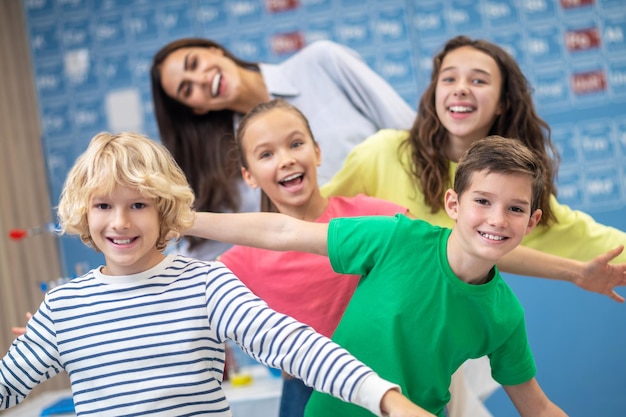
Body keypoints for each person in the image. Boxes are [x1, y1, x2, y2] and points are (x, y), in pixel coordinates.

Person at [0, 132, 433, 417]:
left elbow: (294, 346)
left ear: (165, 209)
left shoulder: (205, 284)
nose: (120, 223)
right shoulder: (64, 307)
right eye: (103, 206)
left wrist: (385, 397)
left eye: (138, 205)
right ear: (84, 212)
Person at [319, 35, 626, 415]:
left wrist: (579, 272)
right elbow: (312, 219)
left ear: (504, 101)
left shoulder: (519, 194)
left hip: (431, 372)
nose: (461, 88)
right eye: (448, 79)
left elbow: (598, 241)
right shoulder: (382, 154)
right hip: (337, 354)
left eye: (479, 80)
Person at [185, 136, 571, 417]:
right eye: (483, 201)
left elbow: (536, 407)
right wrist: (184, 219)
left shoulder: (504, 315)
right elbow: (284, 233)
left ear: (533, 221)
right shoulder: (396, 237)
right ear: (453, 204)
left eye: (515, 209)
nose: (497, 219)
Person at [220, 98, 409, 417]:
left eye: (296, 144)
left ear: (317, 152)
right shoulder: (242, 259)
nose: (286, 160)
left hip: (389, 380)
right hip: (305, 391)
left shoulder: (371, 216)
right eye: (266, 154)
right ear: (249, 175)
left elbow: (433, 254)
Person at [150, 37, 416, 261]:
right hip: (339, 267)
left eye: (195, 63)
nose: (201, 79)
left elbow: (410, 135)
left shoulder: (322, 62)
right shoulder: (231, 165)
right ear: (197, 109)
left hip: (405, 228)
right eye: (187, 89)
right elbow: (216, 247)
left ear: (213, 49)